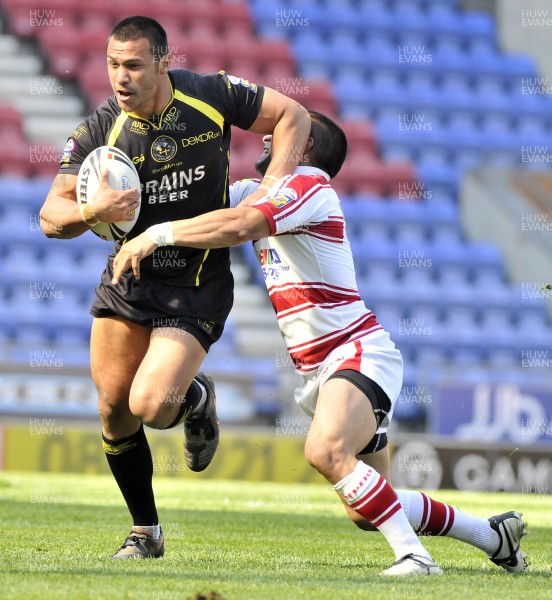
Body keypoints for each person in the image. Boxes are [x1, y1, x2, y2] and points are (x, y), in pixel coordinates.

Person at [110, 111, 528, 575]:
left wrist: (157, 235)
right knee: (366, 509)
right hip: (326, 368)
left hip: (357, 353)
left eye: (279, 133)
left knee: (324, 452)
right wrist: (122, 200)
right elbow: (201, 210)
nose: (267, 137)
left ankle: (416, 558)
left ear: (303, 147)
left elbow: (238, 226)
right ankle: (493, 537)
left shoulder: (309, 185)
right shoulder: (262, 192)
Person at [39, 15, 311, 559]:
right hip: (129, 276)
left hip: (197, 278)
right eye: (113, 64)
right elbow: (51, 215)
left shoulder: (211, 94)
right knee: (115, 407)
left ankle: (195, 398)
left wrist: (274, 188)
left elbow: (293, 115)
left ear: (164, 61)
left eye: (134, 65)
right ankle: (146, 532)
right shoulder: (99, 128)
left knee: (153, 406)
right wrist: (92, 210)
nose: (121, 77)